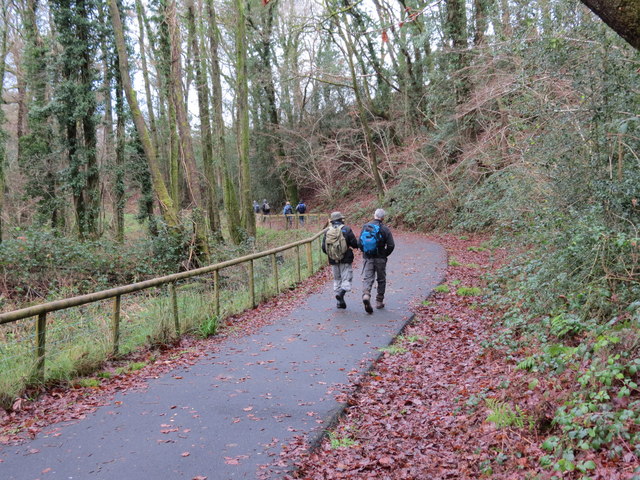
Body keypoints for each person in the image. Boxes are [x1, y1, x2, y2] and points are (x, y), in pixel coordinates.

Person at [358, 208, 395, 314]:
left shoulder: (366, 227)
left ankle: (366, 294)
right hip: (381, 258)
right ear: (383, 217)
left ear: (374, 215)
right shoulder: (385, 229)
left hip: (368, 258)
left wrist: (365, 252)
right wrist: (384, 254)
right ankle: (379, 301)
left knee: (368, 278)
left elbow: (359, 243)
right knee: (381, 279)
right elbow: (391, 245)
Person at [322, 211, 358, 309]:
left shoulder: (327, 231)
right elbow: (354, 243)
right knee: (347, 278)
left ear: (332, 221)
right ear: (341, 219)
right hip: (345, 259)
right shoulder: (346, 229)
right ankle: (341, 294)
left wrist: (333, 255)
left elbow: (324, 248)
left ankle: (339, 302)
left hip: (333, 260)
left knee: (337, 279)